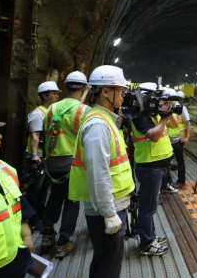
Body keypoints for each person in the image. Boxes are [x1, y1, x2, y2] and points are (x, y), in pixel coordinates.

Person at [69, 65, 135, 278]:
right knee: (108, 265)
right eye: (120, 91)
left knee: (105, 259)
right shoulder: (98, 124)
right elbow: (98, 173)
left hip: (112, 205)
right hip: (107, 209)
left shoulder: (106, 119)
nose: (124, 96)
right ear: (105, 91)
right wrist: (109, 214)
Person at [41, 71, 90, 258]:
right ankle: (64, 242)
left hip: (53, 163)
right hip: (72, 164)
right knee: (72, 202)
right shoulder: (83, 110)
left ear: (65, 87)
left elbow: (47, 134)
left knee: (54, 196)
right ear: (84, 88)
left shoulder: (51, 109)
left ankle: (47, 233)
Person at [130, 82, 173, 256]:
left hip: (157, 166)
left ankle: (151, 236)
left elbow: (173, 125)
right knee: (148, 208)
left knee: (151, 206)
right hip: (149, 168)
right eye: (157, 98)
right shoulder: (140, 116)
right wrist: (164, 118)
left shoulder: (151, 114)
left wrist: (167, 113)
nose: (160, 101)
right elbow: (154, 136)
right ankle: (147, 244)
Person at [0, 121, 36, 278]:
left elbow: (17, 203)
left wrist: (26, 236)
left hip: (16, 257)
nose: (0, 136)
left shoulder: (6, 170)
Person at [25, 81, 60, 229]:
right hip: (37, 155)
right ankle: (32, 219)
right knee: (35, 189)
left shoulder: (49, 112)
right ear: (44, 95)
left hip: (44, 155)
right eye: (53, 93)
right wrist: (34, 156)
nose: (57, 96)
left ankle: (40, 213)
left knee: (44, 187)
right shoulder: (38, 114)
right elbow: (35, 137)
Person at [160, 88, 183, 193]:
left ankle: (166, 184)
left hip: (169, 145)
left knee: (166, 168)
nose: (165, 104)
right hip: (155, 153)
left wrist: (167, 113)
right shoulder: (148, 117)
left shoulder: (162, 114)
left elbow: (175, 125)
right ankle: (161, 187)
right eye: (163, 102)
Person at [170, 90, 190, 188]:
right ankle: (168, 182)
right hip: (169, 138)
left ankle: (181, 181)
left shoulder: (182, 108)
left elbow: (188, 123)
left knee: (180, 160)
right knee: (167, 161)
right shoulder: (168, 108)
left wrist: (187, 136)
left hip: (178, 138)